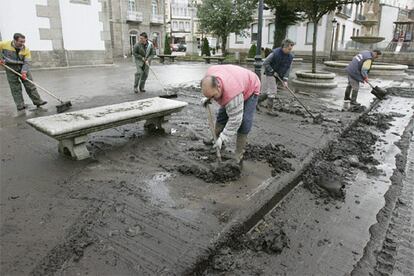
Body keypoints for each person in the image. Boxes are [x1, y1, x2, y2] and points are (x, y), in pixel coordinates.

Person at [200, 65, 261, 165]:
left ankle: (238, 154)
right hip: (236, 80)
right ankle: (215, 139)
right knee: (222, 115)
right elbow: (210, 90)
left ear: (219, 86)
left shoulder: (232, 94)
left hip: (251, 87)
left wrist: (224, 137)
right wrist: (208, 98)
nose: (214, 99)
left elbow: (235, 120)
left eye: (213, 96)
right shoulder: (209, 76)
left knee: (244, 121)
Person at [0, 33, 47, 111]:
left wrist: (24, 72)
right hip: (10, 67)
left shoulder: (26, 49)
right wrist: (1, 58)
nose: (23, 43)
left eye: (24, 41)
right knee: (15, 87)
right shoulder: (4, 44)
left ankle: (38, 101)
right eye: (21, 41)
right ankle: (20, 105)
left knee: (30, 85)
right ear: (14, 40)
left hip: (22, 66)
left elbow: (27, 62)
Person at [261, 39, 295, 108]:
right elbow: (265, 63)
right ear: (284, 47)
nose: (290, 51)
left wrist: (285, 80)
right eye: (289, 49)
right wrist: (272, 71)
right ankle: (270, 109)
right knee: (273, 90)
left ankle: (257, 101)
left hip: (279, 75)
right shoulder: (275, 53)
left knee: (270, 90)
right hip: (270, 73)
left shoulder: (290, 57)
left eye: (291, 49)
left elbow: (288, 68)